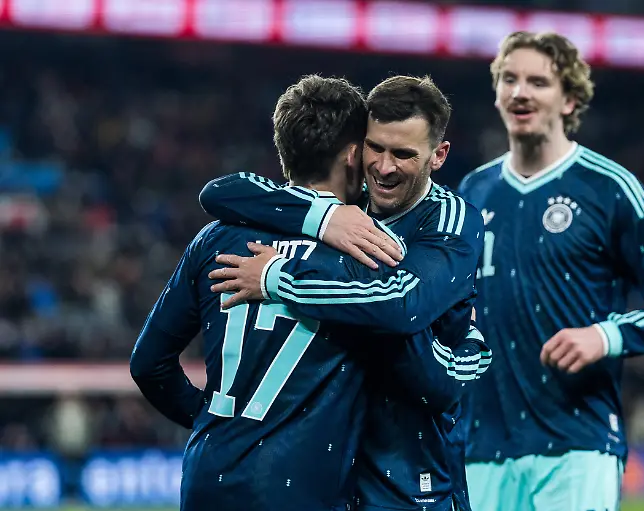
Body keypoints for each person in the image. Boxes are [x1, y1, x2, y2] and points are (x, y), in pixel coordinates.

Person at [130, 75, 488, 511]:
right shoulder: (363, 256)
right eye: (376, 148)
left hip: (223, 471)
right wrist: (471, 349)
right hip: (317, 483)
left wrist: (218, 422)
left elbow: (149, 363)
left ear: (438, 156)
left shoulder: (216, 239)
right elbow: (420, 354)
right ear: (355, 152)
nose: (385, 167)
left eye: (404, 154)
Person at [456, 31, 644, 511]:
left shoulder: (609, 187)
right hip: (480, 446)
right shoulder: (472, 191)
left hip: (578, 444)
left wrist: (605, 336)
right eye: (509, 79)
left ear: (569, 99)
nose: (519, 92)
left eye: (537, 82)